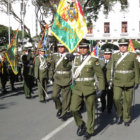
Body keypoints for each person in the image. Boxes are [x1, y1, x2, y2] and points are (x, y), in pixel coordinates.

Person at [67, 40, 105, 140]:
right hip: (77, 88)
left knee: (90, 110)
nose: (83, 50)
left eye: (85, 48)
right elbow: (65, 65)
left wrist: (101, 88)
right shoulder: (74, 58)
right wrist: (67, 57)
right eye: (81, 48)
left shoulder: (93, 60)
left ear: (88, 49)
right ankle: (81, 124)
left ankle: (89, 130)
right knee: (73, 108)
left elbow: (100, 76)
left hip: (89, 88)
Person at [107, 38, 140, 127]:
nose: (123, 47)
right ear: (119, 47)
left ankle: (126, 118)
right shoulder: (115, 56)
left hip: (129, 81)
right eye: (121, 46)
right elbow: (110, 69)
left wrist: (137, 81)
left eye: (124, 45)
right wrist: (109, 79)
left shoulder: (132, 55)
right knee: (116, 98)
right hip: (117, 81)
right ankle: (119, 114)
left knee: (128, 101)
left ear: (127, 46)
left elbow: (136, 69)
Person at [50, 43, 72, 121]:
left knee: (65, 97)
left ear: (65, 47)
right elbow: (52, 67)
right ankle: (60, 108)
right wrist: (50, 76)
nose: (60, 48)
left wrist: (69, 59)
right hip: (57, 78)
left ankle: (64, 113)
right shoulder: (54, 56)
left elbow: (71, 66)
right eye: (59, 47)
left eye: (62, 47)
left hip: (67, 78)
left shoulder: (69, 56)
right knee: (54, 95)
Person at [100, 48, 113, 113]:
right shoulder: (100, 62)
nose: (107, 55)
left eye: (108, 54)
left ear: (111, 55)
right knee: (102, 95)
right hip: (102, 82)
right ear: (104, 55)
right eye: (106, 54)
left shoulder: (113, 62)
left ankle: (109, 108)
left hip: (110, 81)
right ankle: (103, 106)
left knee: (110, 96)